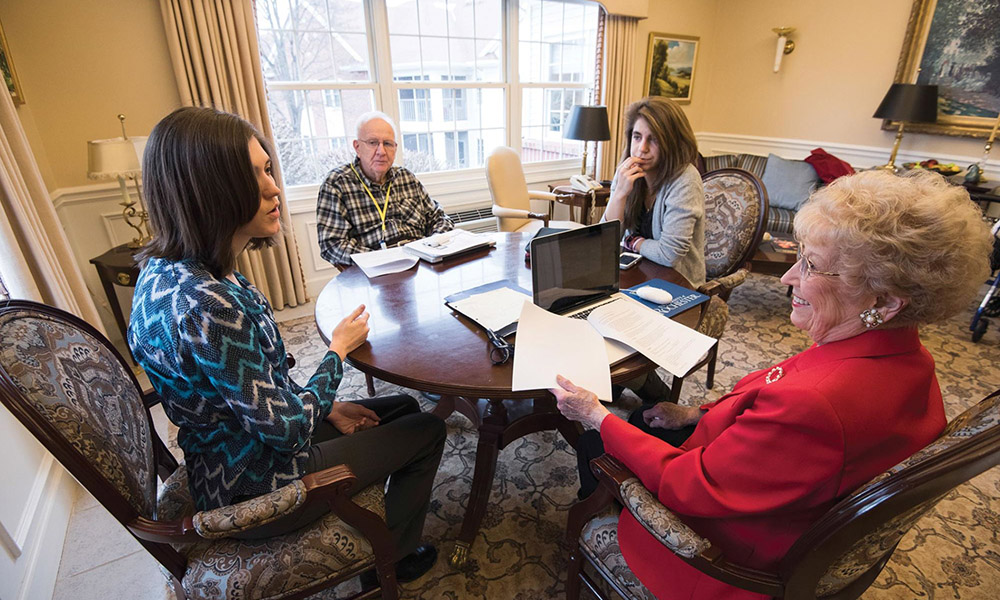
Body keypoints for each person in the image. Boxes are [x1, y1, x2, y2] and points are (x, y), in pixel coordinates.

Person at [553, 169, 993, 599]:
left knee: (597, 446)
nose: (787, 278)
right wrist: (696, 413)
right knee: (643, 424)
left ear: (886, 300)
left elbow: (688, 485)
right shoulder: (903, 357)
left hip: (723, 558)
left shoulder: (817, 405)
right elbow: (778, 420)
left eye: (813, 265)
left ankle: (600, 513)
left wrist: (595, 415)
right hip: (778, 492)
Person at [128, 107, 446, 585]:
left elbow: (255, 383)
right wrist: (337, 353)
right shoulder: (208, 305)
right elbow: (288, 432)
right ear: (211, 189)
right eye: (254, 176)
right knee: (426, 430)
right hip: (257, 484)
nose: (274, 188)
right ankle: (392, 562)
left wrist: (330, 407)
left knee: (399, 405)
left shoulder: (168, 270)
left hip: (237, 443)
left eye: (268, 169)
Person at [317, 111, 453, 267]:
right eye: (373, 142)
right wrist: (380, 259)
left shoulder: (406, 178)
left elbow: (439, 218)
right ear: (357, 147)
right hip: (375, 269)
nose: (381, 151)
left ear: (395, 148)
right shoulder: (337, 183)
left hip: (421, 260)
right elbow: (331, 244)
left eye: (387, 144)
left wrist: (432, 244)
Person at [601, 96, 705, 288]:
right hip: (634, 276)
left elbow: (669, 255)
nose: (642, 149)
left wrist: (634, 242)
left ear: (672, 142)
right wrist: (620, 195)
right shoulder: (627, 170)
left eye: (654, 139)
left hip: (678, 284)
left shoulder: (685, 179)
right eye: (637, 137)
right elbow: (605, 242)